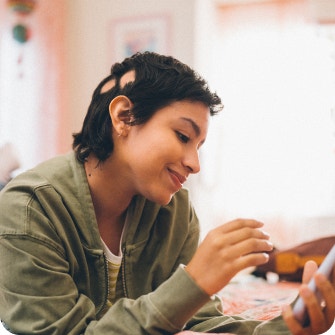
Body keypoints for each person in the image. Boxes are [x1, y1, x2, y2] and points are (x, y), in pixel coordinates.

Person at [0, 52, 334, 335]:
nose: (195, 164)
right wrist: (194, 282)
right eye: (183, 135)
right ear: (123, 117)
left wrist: (287, 327)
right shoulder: (28, 210)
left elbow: (198, 322)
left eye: (200, 146)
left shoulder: (174, 212)